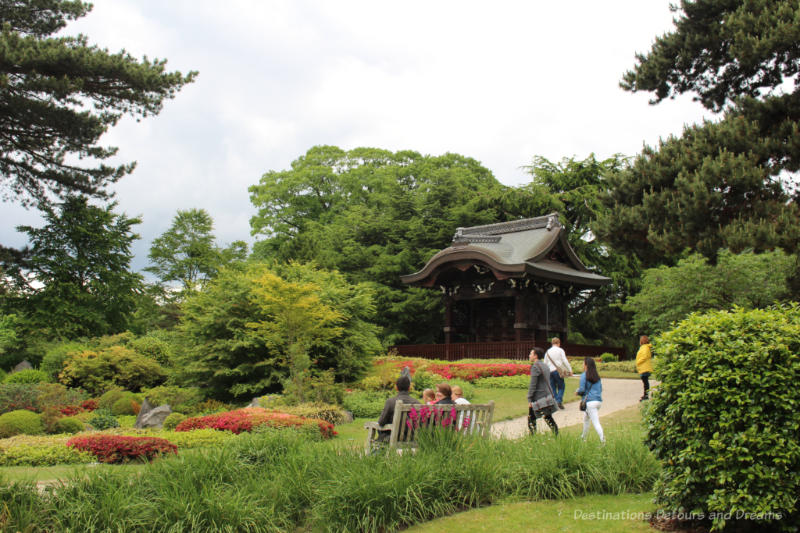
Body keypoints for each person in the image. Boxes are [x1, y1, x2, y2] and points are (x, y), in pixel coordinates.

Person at [376, 375, 420, 441]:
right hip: (411, 439)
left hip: (393, 438)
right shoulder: (417, 403)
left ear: (396, 388)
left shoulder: (390, 402)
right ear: (409, 388)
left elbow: (381, 422)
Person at [527, 347, 559, 435]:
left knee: (531, 418)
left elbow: (533, 384)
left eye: (531, 354)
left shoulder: (535, 367)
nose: (529, 356)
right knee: (547, 417)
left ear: (535, 356)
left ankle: (532, 438)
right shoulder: (545, 366)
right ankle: (557, 435)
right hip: (547, 396)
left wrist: (529, 398)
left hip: (539, 397)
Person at [576, 357, 604, 443]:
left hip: (590, 402)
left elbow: (582, 389)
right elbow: (601, 389)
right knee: (586, 419)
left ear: (586, 365)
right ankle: (583, 438)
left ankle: (603, 440)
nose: (582, 365)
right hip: (598, 401)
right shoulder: (597, 376)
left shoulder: (584, 375)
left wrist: (577, 392)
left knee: (595, 422)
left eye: (583, 363)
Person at [544, 337, 572, 409]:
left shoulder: (547, 351)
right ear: (558, 343)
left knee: (553, 387)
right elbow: (565, 360)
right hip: (558, 371)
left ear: (552, 343)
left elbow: (545, 363)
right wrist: (570, 369)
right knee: (561, 386)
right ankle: (558, 400)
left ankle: (556, 401)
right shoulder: (560, 350)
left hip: (550, 371)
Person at [636, 335, 654, 401]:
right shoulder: (644, 347)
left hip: (644, 367)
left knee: (645, 382)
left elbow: (644, 356)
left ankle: (646, 396)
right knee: (645, 382)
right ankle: (645, 395)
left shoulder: (645, 348)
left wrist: (638, 362)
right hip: (643, 367)